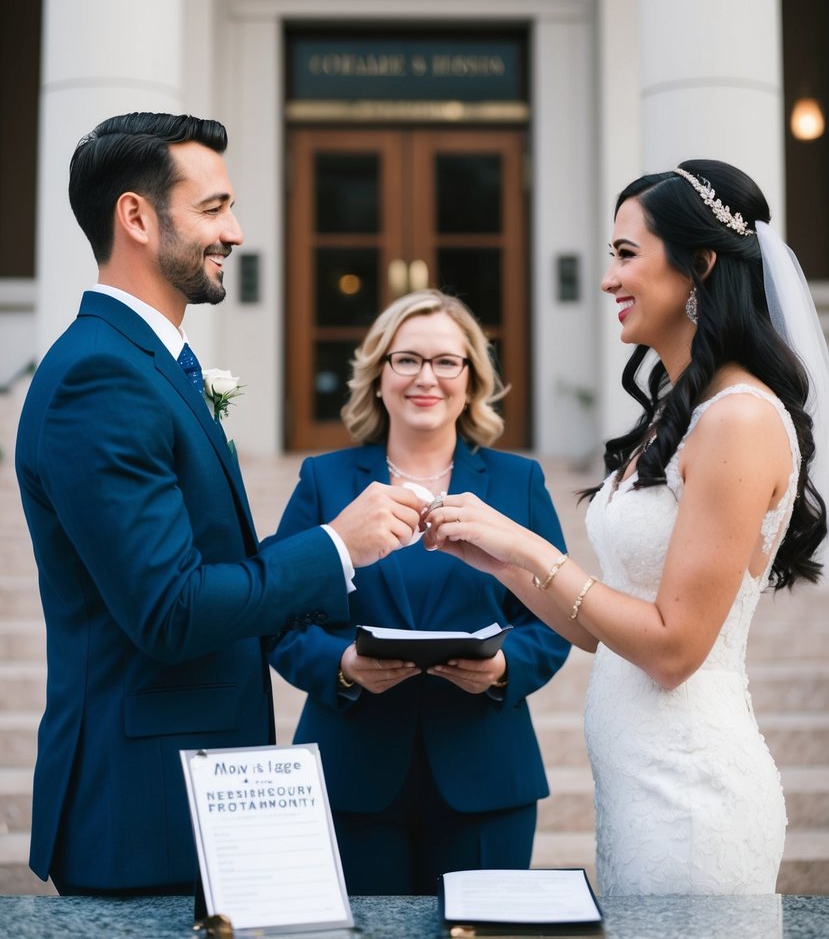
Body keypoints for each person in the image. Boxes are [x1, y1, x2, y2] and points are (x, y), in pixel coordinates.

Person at [14, 112, 422, 896]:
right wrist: (337, 546)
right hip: (141, 802)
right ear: (135, 216)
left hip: (191, 782)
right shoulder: (99, 378)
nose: (235, 232)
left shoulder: (151, 364)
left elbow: (203, 568)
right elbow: (169, 610)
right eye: (213, 208)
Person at [424, 160, 828, 895]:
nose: (607, 279)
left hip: (689, 799)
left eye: (624, 254)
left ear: (698, 264)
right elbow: (597, 627)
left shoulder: (736, 419)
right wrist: (498, 562)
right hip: (639, 786)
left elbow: (672, 650)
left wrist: (532, 548)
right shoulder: (676, 412)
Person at [270, 290, 570, 894]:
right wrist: (344, 666)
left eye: (446, 362)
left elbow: (557, 615)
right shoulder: (323, 479)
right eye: (406, 360)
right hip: (351, 770)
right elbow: (278, 614)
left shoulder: (520, 482)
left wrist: (507, 667)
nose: (425, 378)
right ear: (379, 376)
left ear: (471, 379)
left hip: (487, 774)